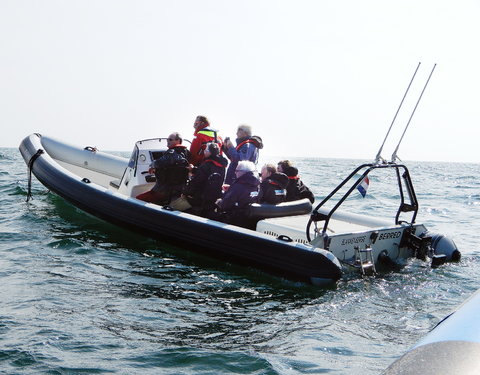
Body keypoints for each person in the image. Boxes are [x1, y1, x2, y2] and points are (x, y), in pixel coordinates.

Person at [136, 132, 190, 204]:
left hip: (164, 190)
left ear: (178, 141)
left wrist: (153, 165)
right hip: (178, 190)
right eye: (167, 139)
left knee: (138, 199)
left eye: (170, 139)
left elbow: (164, 161)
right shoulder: (186, 153)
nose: (168, 141)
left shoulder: (172, 152)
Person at [182, 142, 228, 217]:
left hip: (202, 198)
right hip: (213, 197)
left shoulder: (206, 164)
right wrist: (194, 169)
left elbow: (197, 181)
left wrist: (185, 192)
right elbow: (207, 174)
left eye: (206, 150)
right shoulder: (221, 165)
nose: (204, 151)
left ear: (209, 152)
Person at [215, 160, 260, 226]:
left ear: (243, 172)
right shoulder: (257, 185)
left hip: (234, 220)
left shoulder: (238, 186)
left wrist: (219, 201)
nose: (235, 172)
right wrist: (231, 189)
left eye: (237, 171)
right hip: (249, 220)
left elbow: (225, 205)